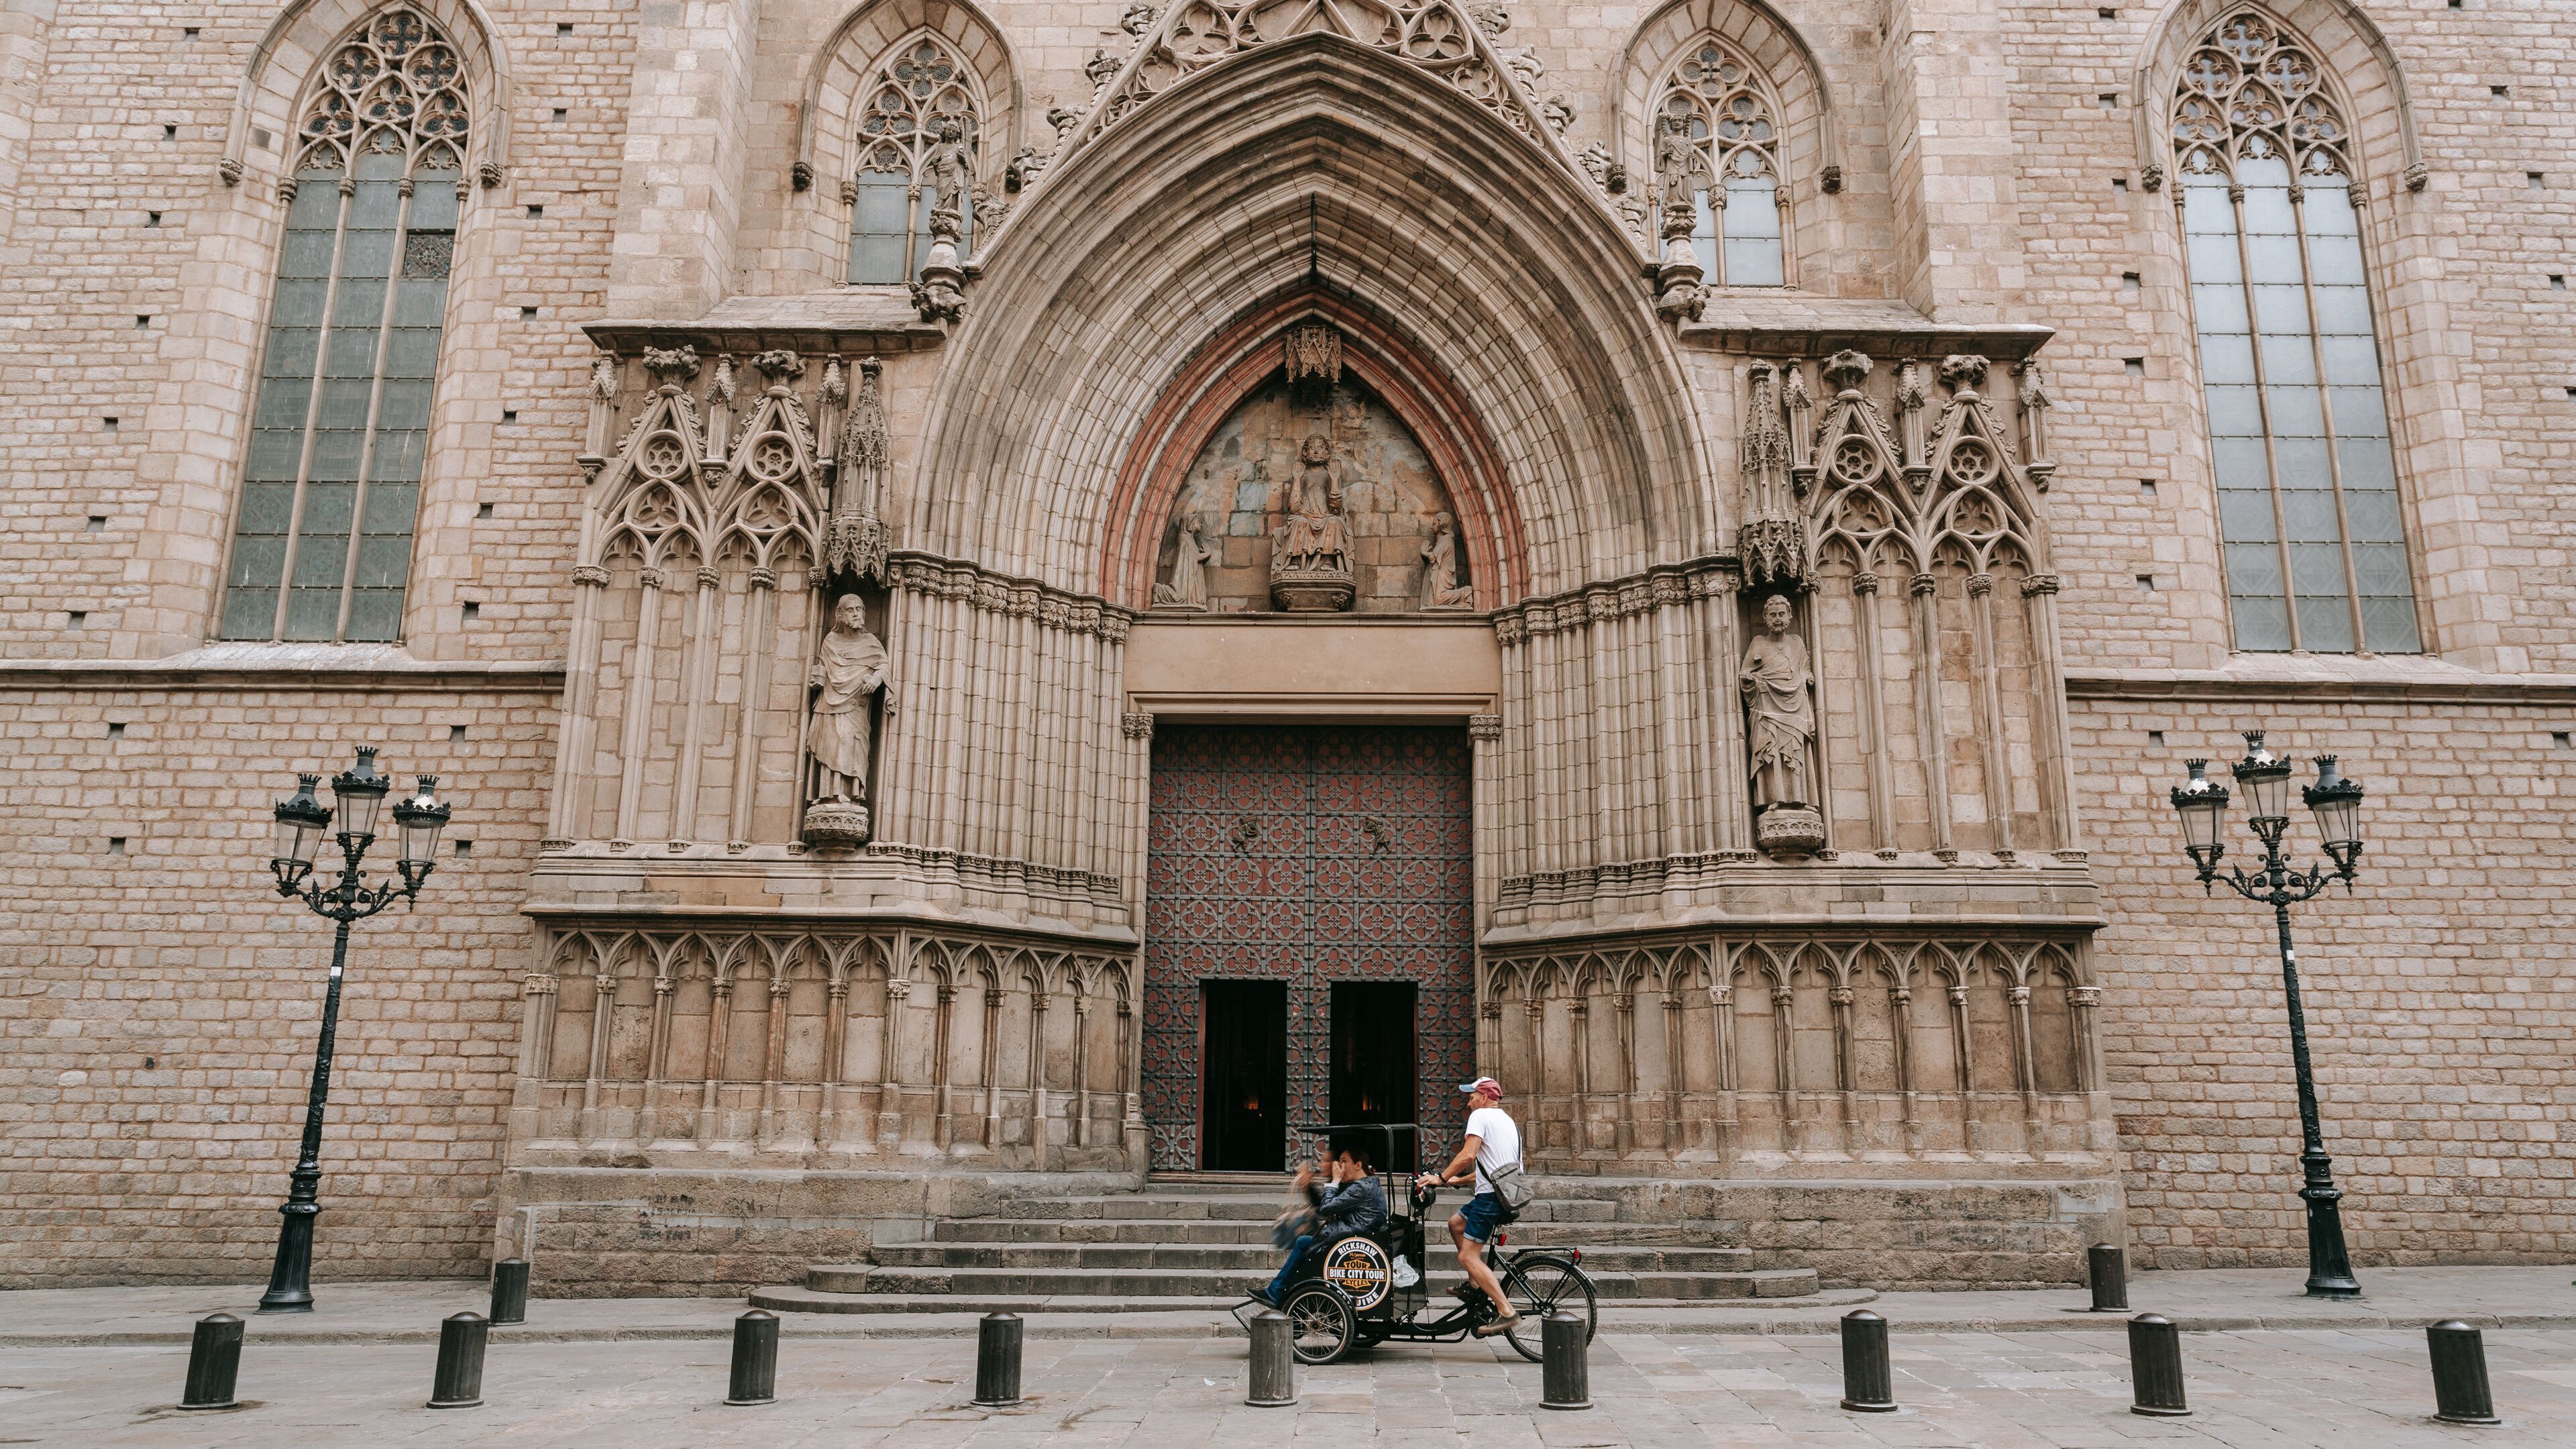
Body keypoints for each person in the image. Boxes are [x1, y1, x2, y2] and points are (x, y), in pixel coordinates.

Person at [1416, 1076, 1523, 1336]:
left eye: (1472, 1097)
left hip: (1490, 1199)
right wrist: (1458, 1181)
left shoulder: (1480, 1116)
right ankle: (1475, 1285)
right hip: (1501, 1194)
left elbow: (1468, 1154)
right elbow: (1499, 1169)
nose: (1468, 1102)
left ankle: (1507, 1311)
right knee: (1456, 1223)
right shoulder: (1508, 1121)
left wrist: (1441, 1178)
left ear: (1485, 1098)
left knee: (1467, 1256)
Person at [1259, 1139, 1386, 1306]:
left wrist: (1335, 1181)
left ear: (1358, 1165)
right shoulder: (1367, 1185)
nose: (1339, 1167)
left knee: (1303, 1245)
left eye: (1344, 1161)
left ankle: (1277, 1293)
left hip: (1349, 1240)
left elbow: (1326, 1208)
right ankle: (1277, 1292)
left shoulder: (1361, 1187)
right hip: (1352, 1236)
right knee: (1303, 1242)